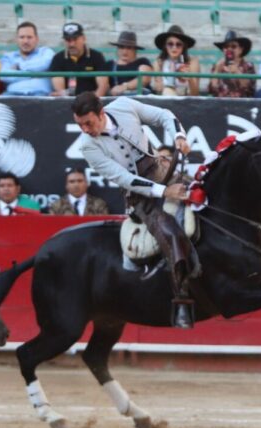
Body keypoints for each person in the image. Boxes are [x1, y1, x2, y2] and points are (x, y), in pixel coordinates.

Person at [71, 91, 196, 328]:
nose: (85, 130)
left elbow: (163, 115)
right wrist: (163, 192)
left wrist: (178, 136)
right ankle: (182, 299)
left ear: (101, 113)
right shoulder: (88, 147)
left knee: (206, 193)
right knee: (169, 230)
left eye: (88, 123)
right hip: (140, 196)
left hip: (163, 171)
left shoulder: (124, 106)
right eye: (80, 125)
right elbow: (124, 178)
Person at [49, 22, 108, 97]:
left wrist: (93, 104)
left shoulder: (96, 56)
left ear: (83, 38)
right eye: (68, 40)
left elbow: (102, 87)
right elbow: (60, 90)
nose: (72, 44)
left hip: (90, 101)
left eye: (75, 39)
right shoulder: (58, 58)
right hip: (68, 102)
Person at [0, 21, 54, 97]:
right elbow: (4, 76)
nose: (25, 41)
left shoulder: (45, 52)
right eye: (22, 37)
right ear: (17, 39)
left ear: (37, 39)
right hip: (12, 95)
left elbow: (45, 63)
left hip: (40, 95)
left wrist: (20, 67)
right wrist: (37, 73)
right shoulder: (9, 57)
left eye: (29, 37)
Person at [151, 25, 200, 97]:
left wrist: (190, 78)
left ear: (184, 46)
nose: (174, 47)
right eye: (170, 44)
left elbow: (195, 94)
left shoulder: (192, 62)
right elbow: (159, 89)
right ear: (165, 46)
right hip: (165, 99)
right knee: (167, 91)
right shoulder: (159, 63)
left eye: (178, 44)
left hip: (186, 100)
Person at [208, 30, 255, 98]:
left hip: (242, 104)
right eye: (226, 47)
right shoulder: (217, 66)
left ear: (241, 50)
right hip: (220, 103)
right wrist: (217, 71)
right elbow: (212, 90)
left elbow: (249, 90)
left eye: (233, 46)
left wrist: (237, 72)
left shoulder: (248, 66)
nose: (229, 49)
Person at [106, 31, 152, 96]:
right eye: (121, 47)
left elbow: (144, 78)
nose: (125, 51)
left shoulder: (142, 61)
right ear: (117, 48)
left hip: (139, 99)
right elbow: (103, 85)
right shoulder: (109, 64)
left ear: (135, 50)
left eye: (129, 48)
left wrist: (124, 87)